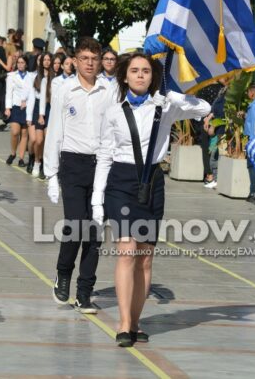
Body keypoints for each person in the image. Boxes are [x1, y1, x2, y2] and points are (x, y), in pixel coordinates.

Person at [94, 53, 210, 347]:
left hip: (152, 182)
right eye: (134, 70)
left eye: (145, 71)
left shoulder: (164, 107)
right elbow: (104, 155)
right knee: (127, 252)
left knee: (144, 259)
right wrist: (97, 198)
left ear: (152, 76)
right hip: (121, 182)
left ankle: (135, 322)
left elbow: (204, 108)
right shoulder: (113, 111)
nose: (140, 75)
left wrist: (172, 96)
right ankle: (123, 323)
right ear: (124, 76)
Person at [43, 37, 118, 314]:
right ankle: (63, 272)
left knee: (95, 231)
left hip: (101, 164)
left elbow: (115, 128)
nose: (89, 64)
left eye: (94, 59)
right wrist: (51, 174)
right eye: (84, 58)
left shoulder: (109, 90)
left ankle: (84, 291)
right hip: (72, 163)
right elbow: (55, 130)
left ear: (101, 62)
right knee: (76, 224)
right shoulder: (65, 89)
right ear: (75, 61)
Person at [4, 54, 34, 167]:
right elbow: (9, 93)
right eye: (19, 63)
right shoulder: (12, 76)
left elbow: (31, 91)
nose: (20, 65)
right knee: (15, 132)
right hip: (16, 106)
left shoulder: (31, 76)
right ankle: (13, 153)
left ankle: (21, 158)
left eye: (22, 63)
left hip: (27, 107)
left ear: (26, 64)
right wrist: (8, 108)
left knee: (24, 133)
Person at [28, 52, 54, 178]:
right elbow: (32, 98)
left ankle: (44, 164)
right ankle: (36, 161)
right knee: (38, 140)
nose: (47, 62)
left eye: (49, 60)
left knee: (48, 140)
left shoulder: (54, 77)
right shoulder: (36, 77)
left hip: (51, 108)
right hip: (39, 108)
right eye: (45, 60)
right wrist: (31, 116)